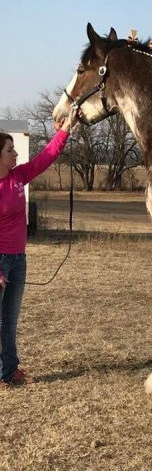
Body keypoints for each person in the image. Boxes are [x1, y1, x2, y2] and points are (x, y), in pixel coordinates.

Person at [0, 112, 77, 386]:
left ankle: (9, 372)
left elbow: (46, 158)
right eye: (10, 151)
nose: (16, 155)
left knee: (8, 320)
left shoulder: (19, 176)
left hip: (18, 260)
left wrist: (65, 131)